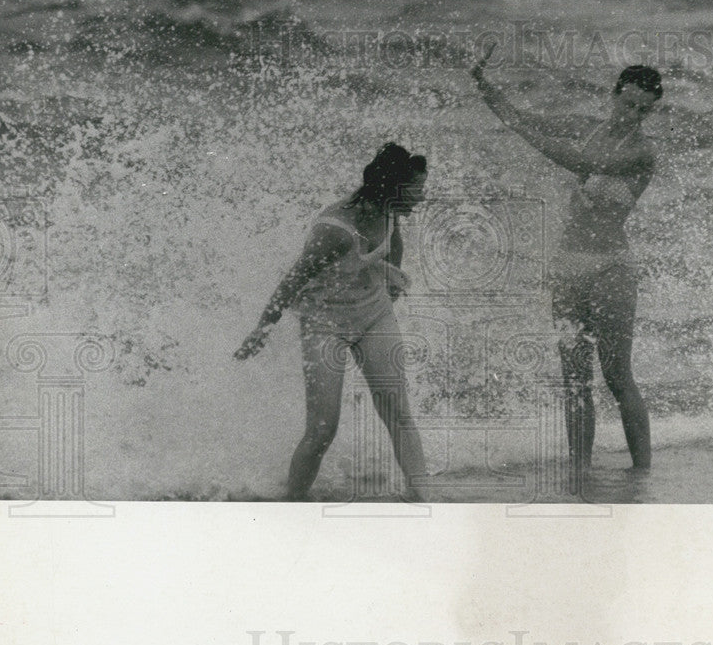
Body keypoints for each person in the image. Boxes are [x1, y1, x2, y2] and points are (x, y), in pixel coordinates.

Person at [471, 44, 660, 484]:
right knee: (574, 379)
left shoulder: (642, 153)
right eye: (627, 102)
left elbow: (583, 162)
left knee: (616, 375)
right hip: (567, 267)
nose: (632, 114)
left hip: (611, 267)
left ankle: (643, 475)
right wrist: (485, 87)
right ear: (614, 95)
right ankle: (579, 473)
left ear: (649, 113)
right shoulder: (583, 127)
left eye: (642, 109)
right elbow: (521, 118)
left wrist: (530, 137)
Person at [235, 143, 428, 502]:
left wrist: (389, 277)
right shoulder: (336, 231)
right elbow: (291, 281)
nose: (421, 198)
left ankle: (425, 498)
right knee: (323, 429)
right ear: (392, 187)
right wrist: (263, 327)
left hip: (373, 315)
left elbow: (393, 245)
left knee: (398, 412)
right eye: (416, 191)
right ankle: (291, 505)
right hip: (324, 322)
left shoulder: (390, 211)